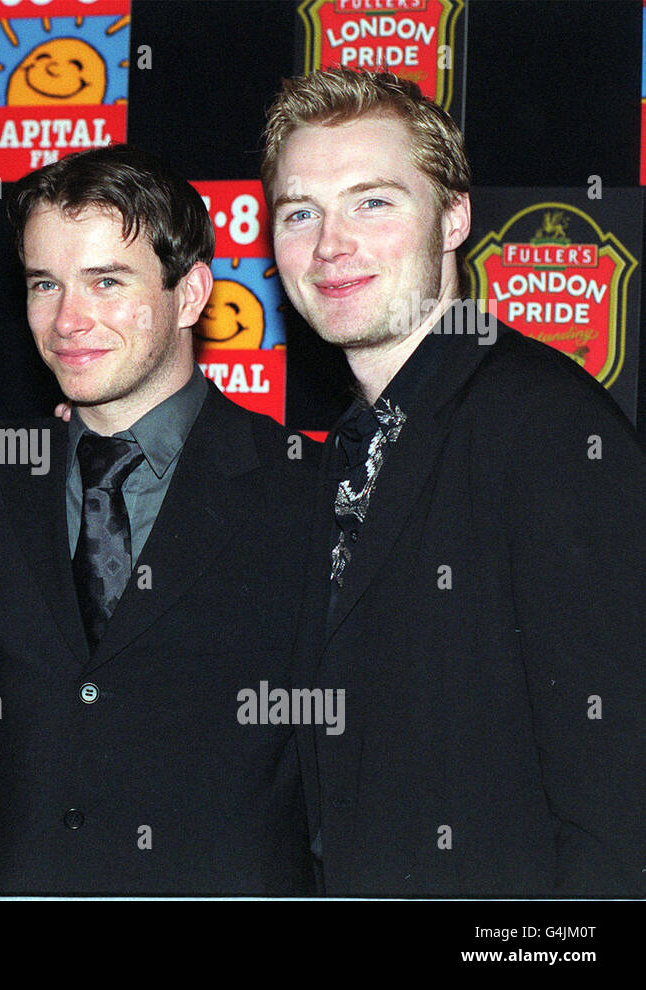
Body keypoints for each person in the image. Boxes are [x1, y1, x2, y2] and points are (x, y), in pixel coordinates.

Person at [262, 67, 645, 896]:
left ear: (455, 218)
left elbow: (619, 793)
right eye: (301, 213)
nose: (331, 245)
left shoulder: (546, 429)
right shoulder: (351, 446)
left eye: (373, 201)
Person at [0, 144, 320, 894]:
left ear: (190, 296)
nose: (67, 319)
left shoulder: (303, 493)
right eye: (44, 284)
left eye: (106, 282)